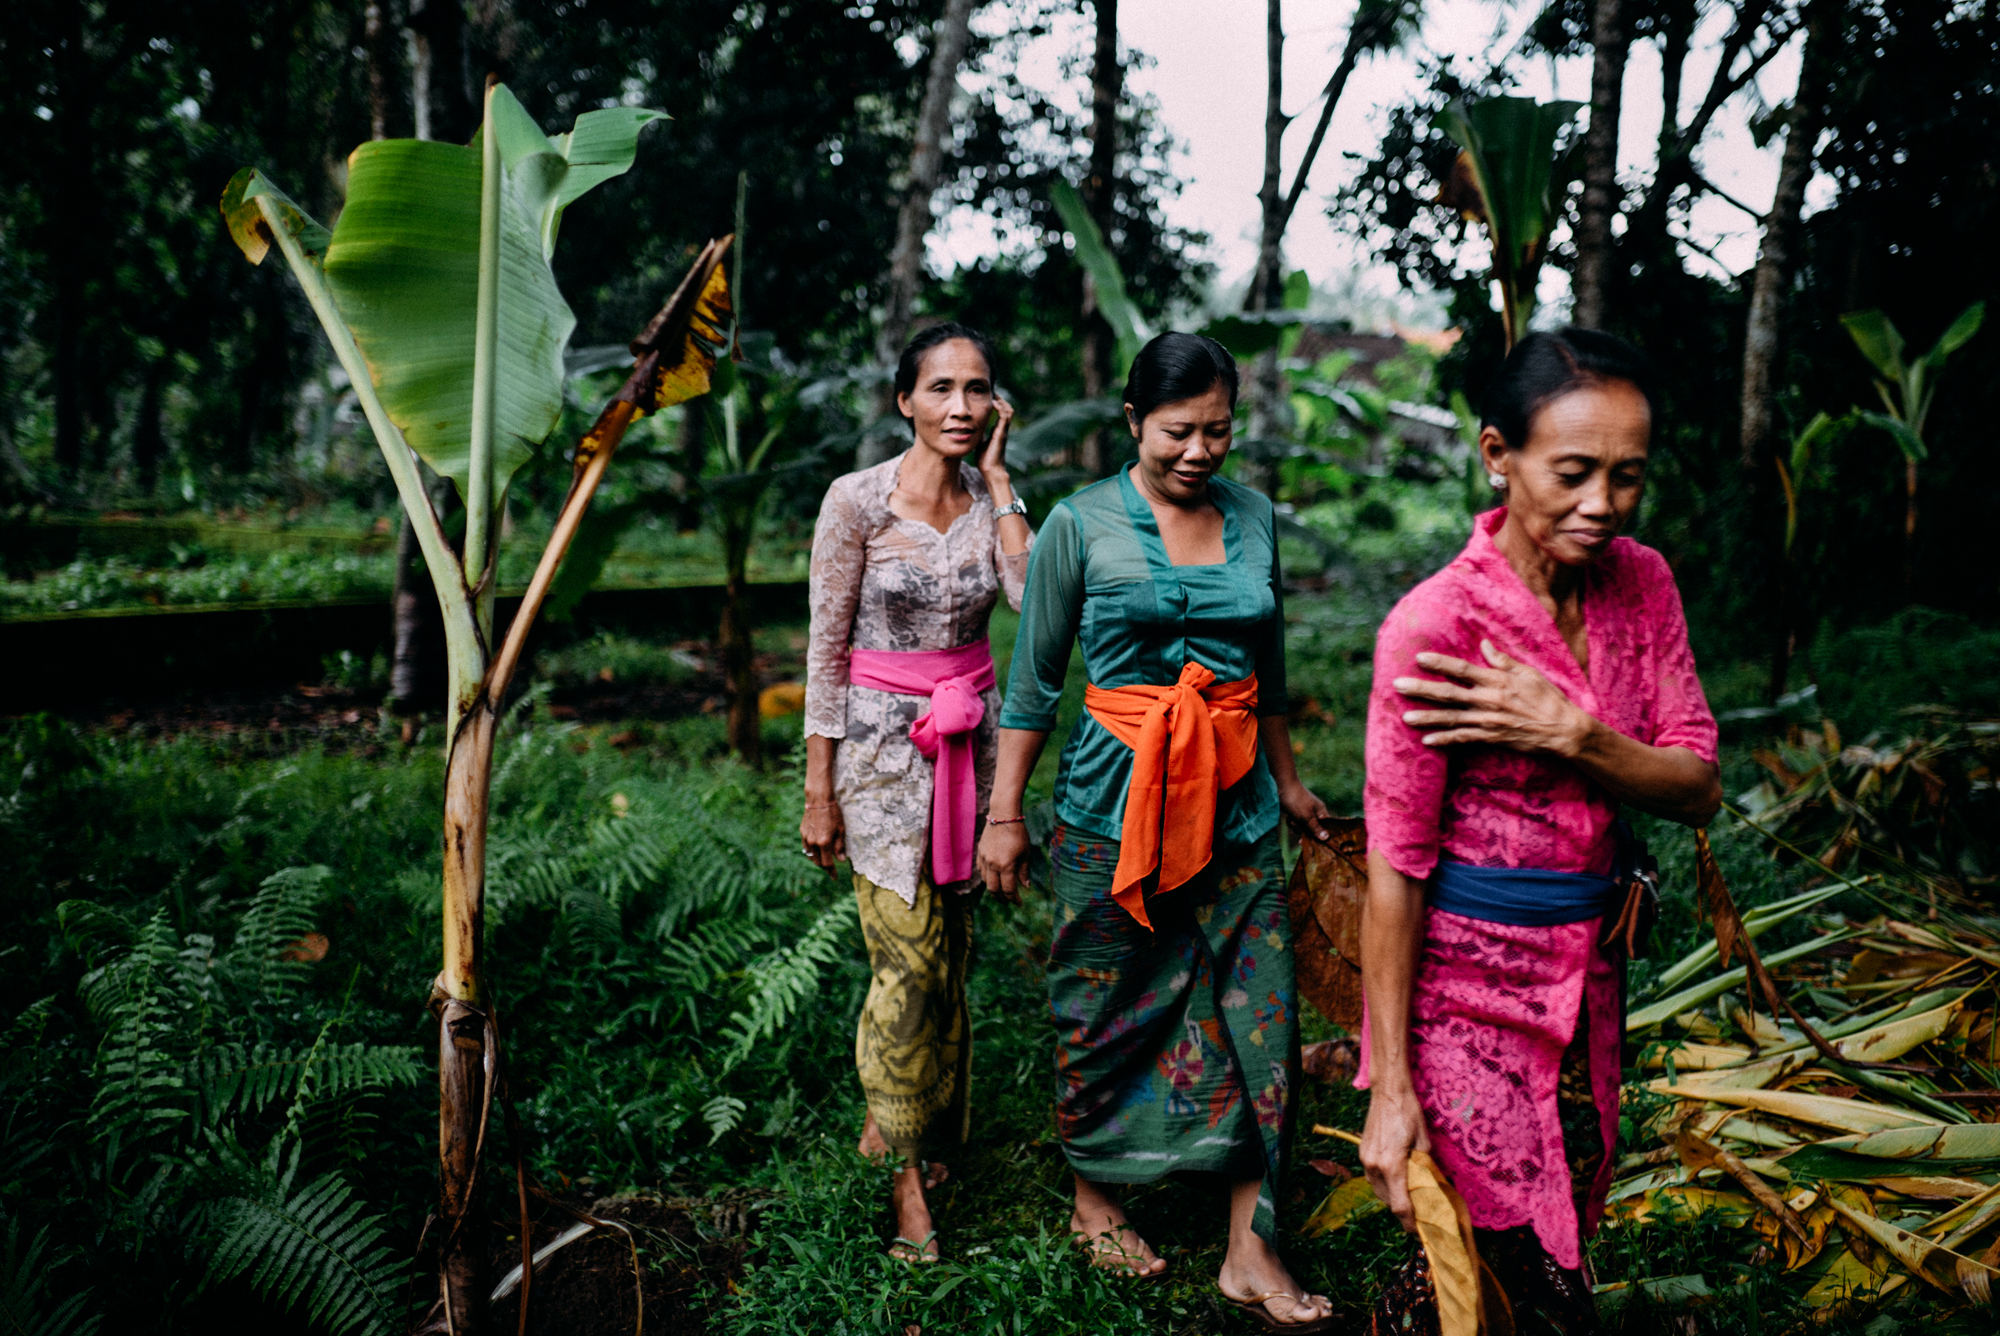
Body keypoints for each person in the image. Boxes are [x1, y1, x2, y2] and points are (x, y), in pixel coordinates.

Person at [1356, 328, 1721, 1333]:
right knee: (1524, 1277)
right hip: (1458, 998)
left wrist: (1572, 733)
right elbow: (1394, 869)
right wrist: (1388, 1088)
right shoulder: (1432, 628)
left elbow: (1693, 782)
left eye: (1625, 476)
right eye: (1571, 473)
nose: (1600, 504)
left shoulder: (1638, 583)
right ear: (1494, 455)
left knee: (1544, 1243)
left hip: (1587, 988)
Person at [978, 332, 1337, 1333]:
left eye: (1217, 430)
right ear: (1132, 422)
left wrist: (1291, 782)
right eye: (1177, 430)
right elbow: (1035, 681)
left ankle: (1248, 1245)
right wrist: (1005, 813)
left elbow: (1265, 672)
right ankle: (1096, 1194)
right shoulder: (1076, 524)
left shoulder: (1254, 516)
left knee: (1258, 1010)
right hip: (1109, 803)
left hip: (1236, 811)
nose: (1198, 450)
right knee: (1106, 1003)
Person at [801, 322, 1033, 1263]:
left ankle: (924, 1123)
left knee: (952, 952)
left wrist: (1007, 482)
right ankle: (907, 1175)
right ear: (906, 400)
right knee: (906, 964)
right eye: (941, 389)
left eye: (978, 390)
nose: (962, 408)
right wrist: (819, 790)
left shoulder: (994, 499)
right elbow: (824, 648)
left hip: (967, 750)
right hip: (879, 753)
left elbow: (1032, 600)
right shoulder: (856, 501)